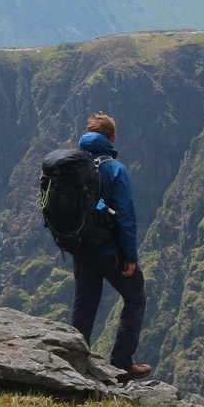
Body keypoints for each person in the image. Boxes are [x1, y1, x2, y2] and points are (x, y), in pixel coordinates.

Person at [69, 112, 151, 379]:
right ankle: (122, 363)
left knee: (85, 303)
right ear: (112, 138)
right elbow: (125, 218)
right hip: (109, 250)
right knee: (135, 296)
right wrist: (130, 257)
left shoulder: (72, 165)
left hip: (80, 248)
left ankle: (72, 361)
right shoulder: (115, 169)